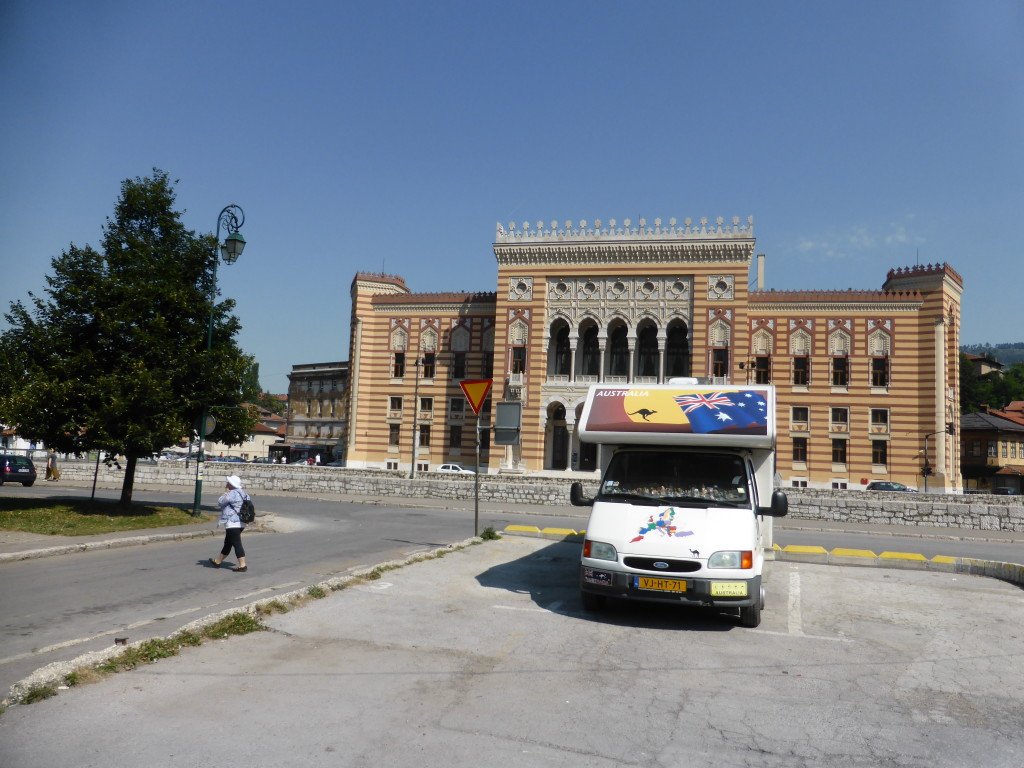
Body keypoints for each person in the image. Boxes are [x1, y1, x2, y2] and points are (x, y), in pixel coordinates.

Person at [209, 475, 249, 572]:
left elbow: (220, 502)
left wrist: (224, 494)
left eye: (228, 482)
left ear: (231, 484)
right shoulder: (244, 494)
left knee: (236, 543)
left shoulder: (232, 493)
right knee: (228, 543)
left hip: (232, 523)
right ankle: (217, 561)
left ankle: (242, 565)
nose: (226, 483)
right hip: (241, 522)